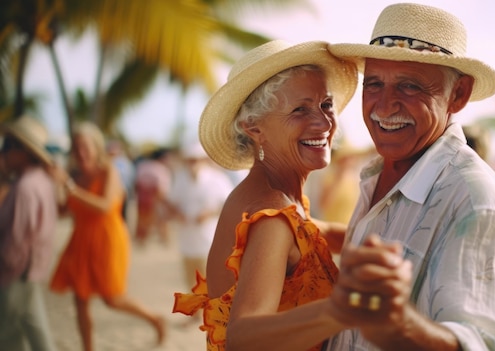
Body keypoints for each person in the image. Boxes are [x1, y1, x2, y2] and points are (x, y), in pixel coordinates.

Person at [325, 3, 495, 350]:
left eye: (409, 87)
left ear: (458, 94)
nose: (384, 107)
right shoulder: (381, 173)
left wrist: (401, 326)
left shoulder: (476, 200)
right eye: (373, 83)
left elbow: (480, 343)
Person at [172, 39, 358, 350]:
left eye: (326, 104)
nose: (324, 122)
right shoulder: (272, 217)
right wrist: (348, 306)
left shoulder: (278, 199)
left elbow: (320, 233)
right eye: (300, 109)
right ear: (253, 127)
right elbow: (243, 337)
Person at [47, 121, 165, 351]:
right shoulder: (74, 176)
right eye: (76, 148)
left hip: (108, 239)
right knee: (79, 299)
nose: (81, 153)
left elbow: (104, 206)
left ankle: (154, 319)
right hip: (80, 240)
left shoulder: (108, 170)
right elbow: (63, 210)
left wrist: (69, 186)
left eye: (85, 147)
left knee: (112, 299)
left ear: (96, 148)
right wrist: (55, 186)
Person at [0, 116, 58, 351]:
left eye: (9, 146)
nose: (4, 152)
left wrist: (5, 267)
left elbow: (18, 240)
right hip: (31, 270)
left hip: (17, 272)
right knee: (33, 328)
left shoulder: (25, 187)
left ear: (24, 152)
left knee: (9, 335)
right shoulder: (39, 181)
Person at [168, 142, 233, 325]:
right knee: (190, 278)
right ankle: (196, 314)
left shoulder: (217, 179)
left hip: (209, 237)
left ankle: (213, 314)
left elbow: (229, 204)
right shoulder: (180, 179)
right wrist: (177, 213)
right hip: (187, 237)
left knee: (210, 278)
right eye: (189, 161)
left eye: (196, 160)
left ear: (203, 160)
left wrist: (209, 213)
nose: (193, 164)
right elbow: (172, 201)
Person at [134, 147, 173, 246]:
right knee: (162, 220)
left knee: (142, 221)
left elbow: (136, 183)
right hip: (155, 200)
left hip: (142, 199)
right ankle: (165, 240)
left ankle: (142, 240)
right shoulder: (162, 169)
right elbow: (162, 190)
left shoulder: (142, 166)